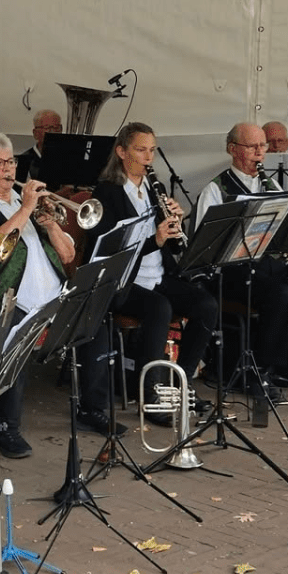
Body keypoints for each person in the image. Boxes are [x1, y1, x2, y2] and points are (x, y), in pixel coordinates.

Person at [78, 123, 220, 429]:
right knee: (159, 308)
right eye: (141, 149)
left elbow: (173, 245)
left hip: (157, 275)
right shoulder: (108, 193)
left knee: (206, 305)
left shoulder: (155, 191)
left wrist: (176, 225)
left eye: (152, 150)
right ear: (121, 152)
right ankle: (150, 395)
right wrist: (153, 240)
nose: (148, 157)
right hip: (123, 281)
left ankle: (179, 383)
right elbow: (110, 248)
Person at [0, 131, 77, 451]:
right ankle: (6, 424)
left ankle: (91, 408)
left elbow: (68, 256)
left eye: (11, 161)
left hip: (52, 296)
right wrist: (25, 211)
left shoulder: (28, 206)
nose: (9, 169)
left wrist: (50, 224)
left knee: (92, 315)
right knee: (16, 329)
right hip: (3, 299)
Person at [196, 123, 288, 399]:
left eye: (263, 146)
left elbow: (287, 234)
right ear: (232, 149)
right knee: (282, 295)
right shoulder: (215, 189)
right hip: (232, 272)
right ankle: (261, 372)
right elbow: (205, 249)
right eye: (253, 146)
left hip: (267, 265)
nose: (261, 152)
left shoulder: (271, 185)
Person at [15, 109, 64, 173]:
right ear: (35, 133)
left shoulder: (68, 159)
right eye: (47, 128)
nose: (53, 132)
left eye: (56, 128)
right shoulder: (23, 161)